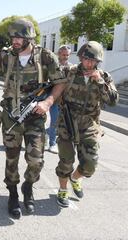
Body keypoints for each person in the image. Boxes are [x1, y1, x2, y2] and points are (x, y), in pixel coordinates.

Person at [0, 18, 66, 219]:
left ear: (28, 38)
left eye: (19, 37)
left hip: (35, 117)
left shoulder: (45, 57)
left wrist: (48, 103)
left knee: (36, 160)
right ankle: (13, 193)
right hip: (11, 117)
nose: (15, 41)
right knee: (11, 159)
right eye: (13, 37)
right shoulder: (6, 56)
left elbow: (60, 82)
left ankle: (28, 185)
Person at [55, 41, 119, 208]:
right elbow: (53, 89)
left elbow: (113, 100)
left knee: (90, 163)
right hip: (67, 121)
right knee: (66, 160)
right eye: (86, 60)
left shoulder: (104, 77)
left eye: (93, 61)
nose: (90, 64)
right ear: (81, 58)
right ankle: (62, 190)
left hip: (89, 123)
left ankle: (75, 178)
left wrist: (99, 82)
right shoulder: (68, 72)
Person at [46, 45, 73, 154]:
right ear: (58, 54)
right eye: (64, 54)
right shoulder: (53, 66)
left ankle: (45, 133)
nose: (66, 57)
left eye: (67, 55)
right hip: (54, 99)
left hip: (66, 101)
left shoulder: (72, 67)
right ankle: (52, 144)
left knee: (63, 123)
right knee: (55, 122)